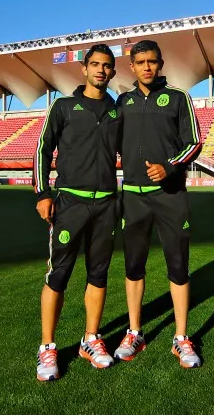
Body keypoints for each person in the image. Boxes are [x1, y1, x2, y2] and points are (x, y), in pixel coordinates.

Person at [32, 44, 120, 382]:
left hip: (106, 205)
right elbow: (43, 148)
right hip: (70, 203)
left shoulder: (117, 110)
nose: (100, 70)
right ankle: (47, 347)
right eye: (95, 64)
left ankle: (90, 339)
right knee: (58, 276)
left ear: (112, 72)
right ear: (84, 69)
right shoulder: (64, 106)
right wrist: (43, 193)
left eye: (106, 66)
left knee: (98, 274)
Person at [114, 40, 203, 368]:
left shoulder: (179, 98)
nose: (147, 67)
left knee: (178, 266)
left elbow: (194, 142)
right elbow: (108, 142)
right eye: (141, 62)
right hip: (133, 196)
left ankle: (181, 338)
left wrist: (170, 165)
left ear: (160, 63)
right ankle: (134, 331)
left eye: (152, 61)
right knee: (133, 266)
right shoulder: (122, 102)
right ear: (132, 67)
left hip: (170, 196)